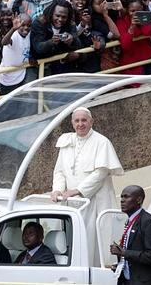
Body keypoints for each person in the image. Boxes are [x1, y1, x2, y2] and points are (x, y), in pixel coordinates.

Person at [51, 107, 124, 265]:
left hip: (94, 201)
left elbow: (101, 172)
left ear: (91, 122)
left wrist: (77, 191)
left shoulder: (101, 142)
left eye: (84, 120)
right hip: (70, 202)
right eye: (77, 121)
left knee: (92, 241)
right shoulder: (66, 141)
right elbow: (60, 171)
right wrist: (57, 189)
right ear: (72, 123)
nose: (80, 124)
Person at [110, 185, 151, 285]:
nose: (122, 200)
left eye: (126, 197)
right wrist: (121, 264)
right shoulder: (130, 221)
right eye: (121, 197)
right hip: (127, 280)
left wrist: (125, 253)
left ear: (139, 200)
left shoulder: (148, 221)